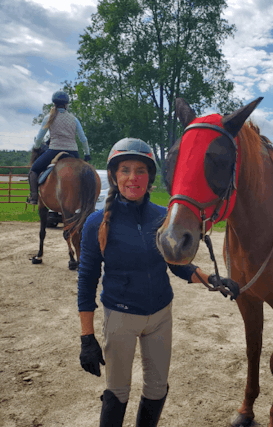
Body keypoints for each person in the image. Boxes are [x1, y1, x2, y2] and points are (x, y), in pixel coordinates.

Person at [76, 138, 228, 427]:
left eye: (141, 171)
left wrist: (213, 279)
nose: (133, 178)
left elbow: (177, 266)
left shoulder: (162, 217)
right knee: (117, 392)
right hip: (119, 316)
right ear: (113, 175)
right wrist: (87, 337)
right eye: (125, 170)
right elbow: (87, 281)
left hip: (160, 316)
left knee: (157, 389)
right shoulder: (96, 223)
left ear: (150, 177)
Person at [27, 90, 92, 204]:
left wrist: (37, 148)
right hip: (73, 152)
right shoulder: (74, 119)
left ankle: (34, 197)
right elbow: (83, 139)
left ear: (54, 104)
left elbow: (39, 138)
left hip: (54, 151)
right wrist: (87, 154)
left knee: (34, 170)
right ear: (66, 105)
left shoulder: (49, 117)